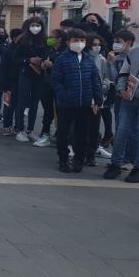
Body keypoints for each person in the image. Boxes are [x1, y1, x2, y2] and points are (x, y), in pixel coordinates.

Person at [104, 20, 139, 183]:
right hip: (127, 100)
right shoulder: (135, 52)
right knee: (121, 132)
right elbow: (123, 73)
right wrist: (121, 89)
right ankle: (116, 164)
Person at [50, 28, 103, 174]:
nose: (79, 43)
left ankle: (79, 159)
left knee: (82, 133)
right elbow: (55, 80)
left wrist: (98, 99)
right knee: (63, 132)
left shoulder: (88, 59)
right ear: (68, 42)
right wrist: (63, 94)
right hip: (66, 104)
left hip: (84, 103)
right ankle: (63, 159)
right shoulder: (62, 59)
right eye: (75, 40)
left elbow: (95, 80)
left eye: (82, 40)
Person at [12, 19, 50, 142]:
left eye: (38, 25)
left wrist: (44, 61)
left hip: (39, 75)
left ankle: (30, 130)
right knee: (22, 102)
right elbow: (16, 58)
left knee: (34, 104)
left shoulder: (45, 40)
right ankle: (20, 129)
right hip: (25, 74)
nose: (35, 28)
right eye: (33, 25)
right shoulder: (22, 40)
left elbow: (48, 54)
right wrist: (29, 60)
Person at [33, 29, 67, 147]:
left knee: (60, 110)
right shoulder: (48, 49)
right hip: (47, 82)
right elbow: (43, 62)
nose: (49, 39)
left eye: (52, 37)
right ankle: (45, 133)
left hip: (60, 84)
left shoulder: (65, 51)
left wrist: (53, 66)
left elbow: (66, 68)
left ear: (59, 39)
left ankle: (61, 134)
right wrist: (43, 65)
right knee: (48, 110)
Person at [106, 29, 136, 153]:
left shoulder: (134, 57)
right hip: (118, 94)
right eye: (114, 42)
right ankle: (120, 154)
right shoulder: (117, 58)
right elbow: (112, 77)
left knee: (130, 126)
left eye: (118, 42)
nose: (115, 44)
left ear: (128, 42)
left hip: (131, 95)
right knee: (119, 124)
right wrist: (110, 64)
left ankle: (128, 155)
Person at [85, 34, 110, 166]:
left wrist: (104, 85)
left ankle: (91, 154)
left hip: (97, 99)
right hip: (83, 98)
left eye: (98, 44)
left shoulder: (102, 60)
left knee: (94, 128)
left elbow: (106, 77)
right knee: (81, 127)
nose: (97, 47)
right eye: (94, 44)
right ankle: (80, 152)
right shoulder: (82, 58)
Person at [0, 27, 22, 135]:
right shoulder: (8, 50)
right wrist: (4, 84)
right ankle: (6, 126)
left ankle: (18, 126)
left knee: (19, 105)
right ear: (14, 38)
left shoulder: (23, 49)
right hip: (10, 81)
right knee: (9, 105)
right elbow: (3, 68)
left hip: (21, 80)